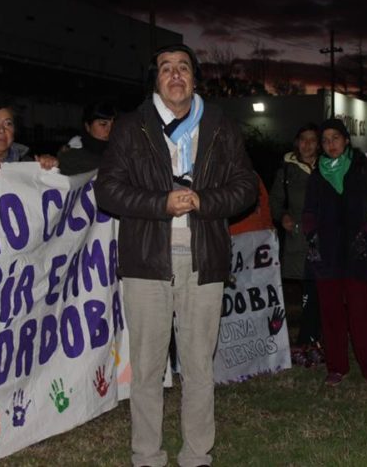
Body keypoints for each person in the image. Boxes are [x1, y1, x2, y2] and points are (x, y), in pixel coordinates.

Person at [95, 43, 257, 467]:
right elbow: (107, 190)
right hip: (147, 260)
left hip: (203, 259)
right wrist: (160, 203)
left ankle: (197, 455)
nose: (175, 75)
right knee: (147, 367)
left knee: (199, 365)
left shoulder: (220, 126)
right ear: (156, 80)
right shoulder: (131, 127)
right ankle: (147, 455)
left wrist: (204, 200)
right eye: (165, 68)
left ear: (194, 78)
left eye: (183, 67)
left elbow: (246, 188)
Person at [302, 118, 367, 393]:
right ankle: (336, 367)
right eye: (325, 140)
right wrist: (311, 236)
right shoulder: (317, 175)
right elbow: (308, 211)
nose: (330, 144)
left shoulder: (362, 169)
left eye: (335, 138)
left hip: (355, 250)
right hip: (327, 254)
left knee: (361, 314)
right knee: (331, 314)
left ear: (346, 140)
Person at [269, 123, 324, 367]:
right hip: (299, 240)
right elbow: (275, 202)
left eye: (313, 140)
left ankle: (313, 341)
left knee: (320, 292)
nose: (307, 144)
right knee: (308, 291)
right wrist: (283, 216)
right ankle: (306, 342)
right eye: (303, 139)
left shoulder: (328, 166)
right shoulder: (287, 170)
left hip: (326, 240)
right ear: (297, 142)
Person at [58, 101, 118, 175]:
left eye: (114, 124)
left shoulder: (119, 154)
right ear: (87, 126)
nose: (110, 129)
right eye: (103, 124)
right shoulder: (71, 156)